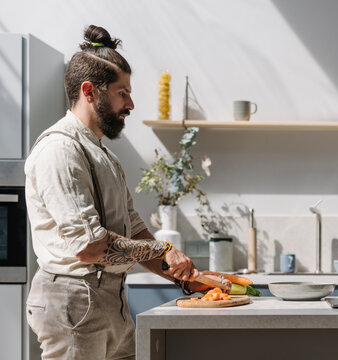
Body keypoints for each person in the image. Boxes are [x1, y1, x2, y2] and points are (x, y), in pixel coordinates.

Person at [24, 25, 230, 360]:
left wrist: (183, 276)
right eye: (122, 92)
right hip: (74, 301)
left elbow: (131, 229)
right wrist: (162, 248)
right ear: (89, 91)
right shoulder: (59, 150)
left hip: (112, 301)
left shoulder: (103, 155)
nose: (131, 104)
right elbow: (89, 248)